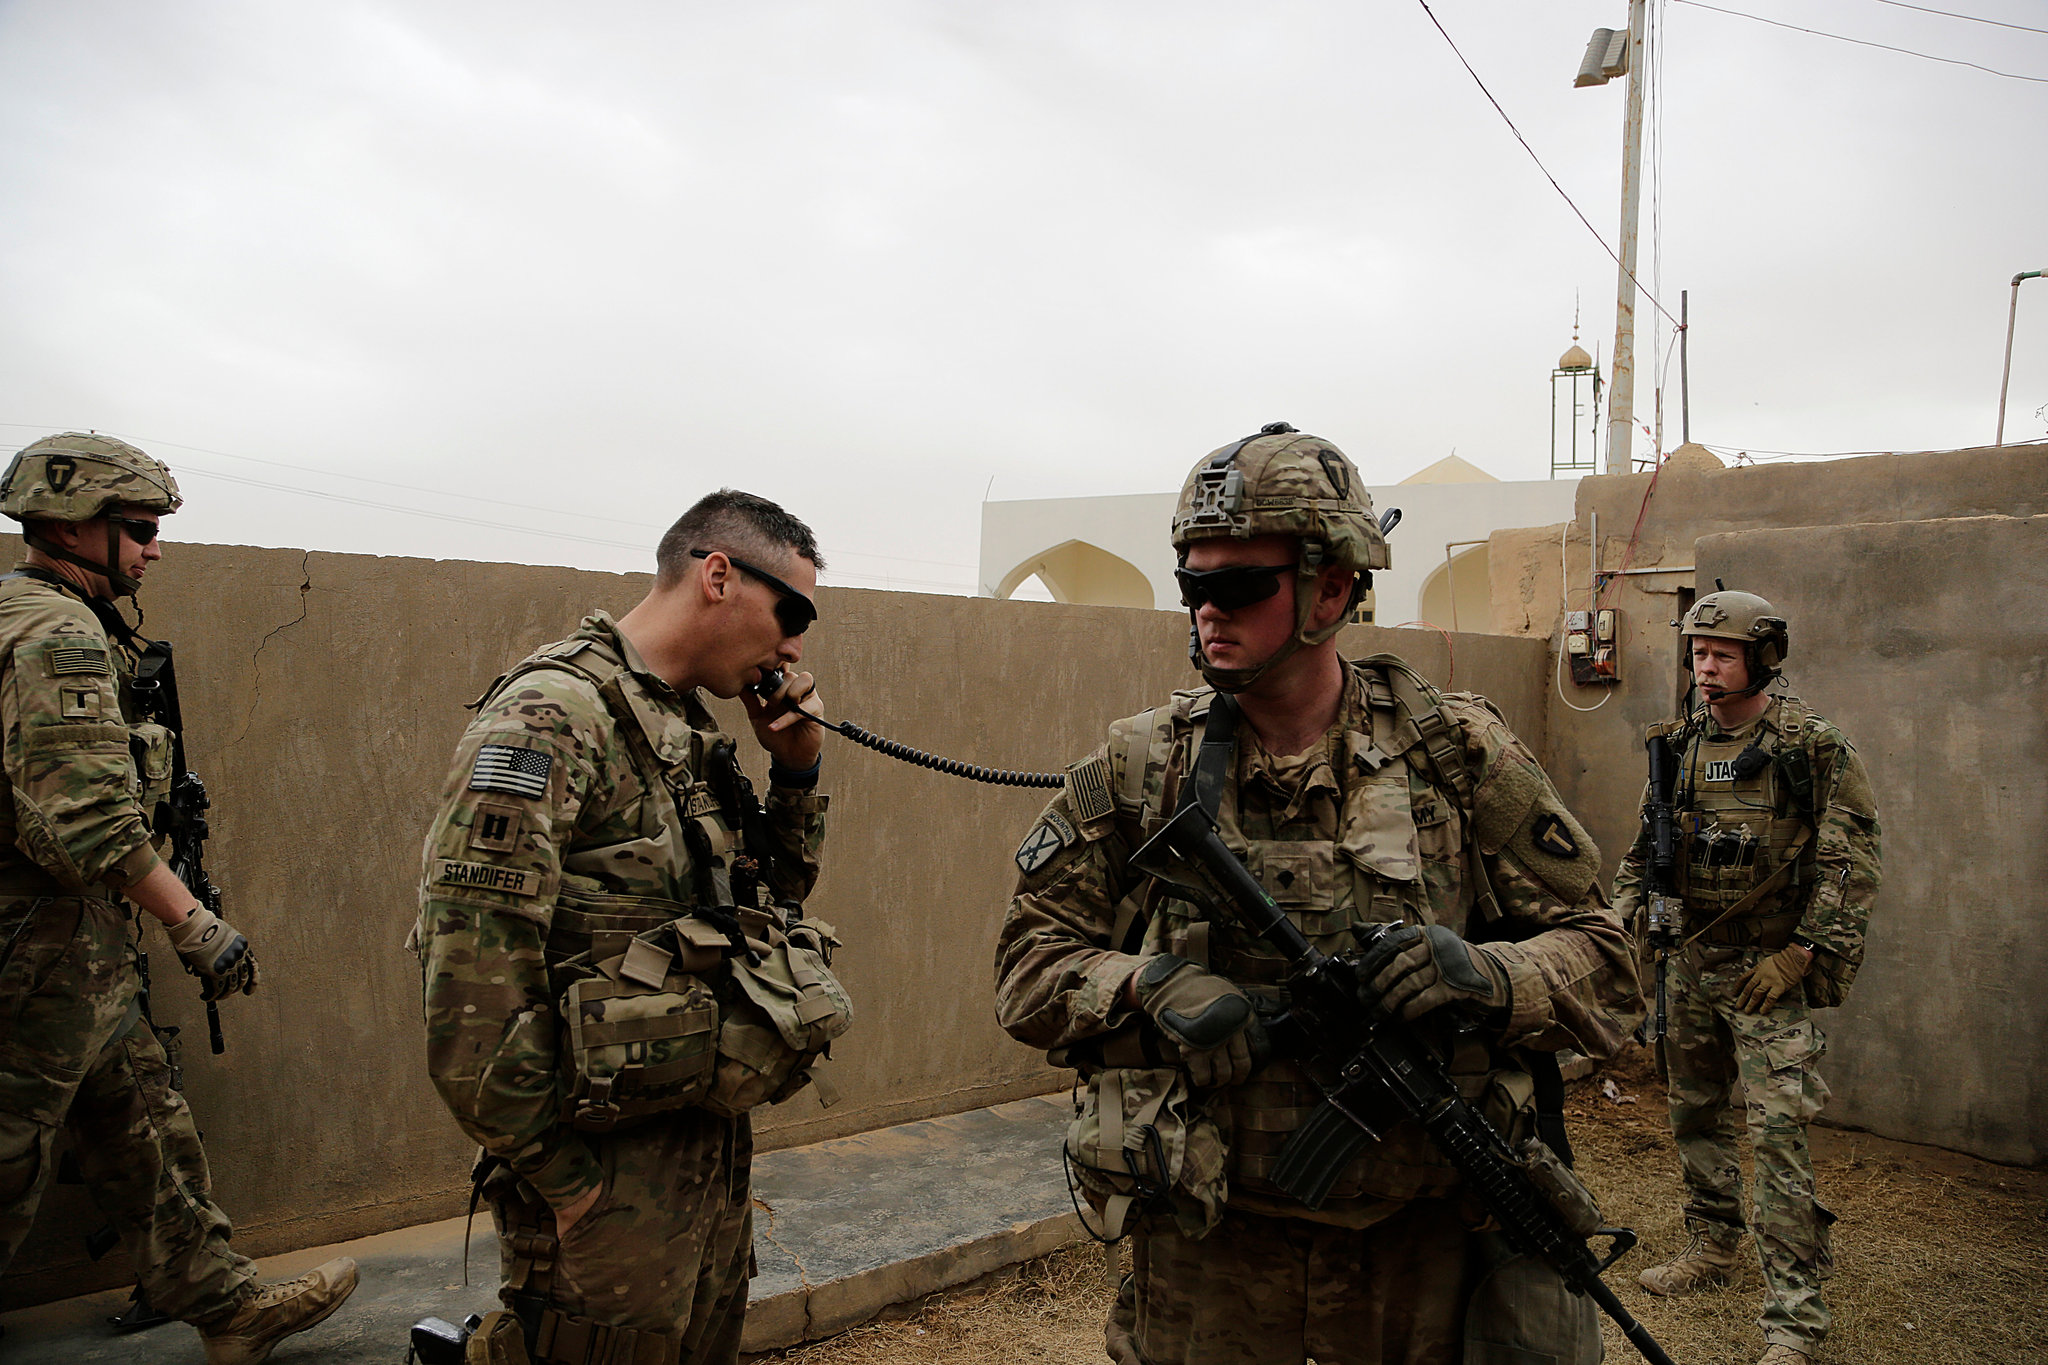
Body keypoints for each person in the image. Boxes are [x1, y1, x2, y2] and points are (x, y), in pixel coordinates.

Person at [993, 423, 1641, 1365]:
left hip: (1418, 1256)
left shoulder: (1456, 754)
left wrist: (1486, 976)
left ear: (1330, 589)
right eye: (1192, 587)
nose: (1207, 612)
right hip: (1210, 1252)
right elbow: (1026, 967)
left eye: (1238, 588)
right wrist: (1143, 984)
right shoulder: (1144, 766)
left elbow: (1609, 961)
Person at [415, 489, 845, 1365]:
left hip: (700, 1161)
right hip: (600, 1188)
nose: (795, 647)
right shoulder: (553, 716)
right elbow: (468, 992)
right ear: (718, 576)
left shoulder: (683, 725)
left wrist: (796, 770)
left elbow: (772, 902)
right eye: (791, 613)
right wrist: (567, 1184)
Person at [0, 432, 358, 1365]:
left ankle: (228, 1309)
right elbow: (87, 820)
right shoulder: (56, 634)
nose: (155, 549)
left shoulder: (35, 616)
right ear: (72, 528)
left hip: (70, 953)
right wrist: (192, 923)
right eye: (141, 529)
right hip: (33, 954)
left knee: (144, 1126)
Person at [1613, 590, 1881, 1365]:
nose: (1705, 667)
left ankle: (1794, 1317)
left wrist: (1802, 952)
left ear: (1762, 658)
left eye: (1722, 654)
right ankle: (1713, 1244)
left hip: (1768, 971)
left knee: (1778, 1134)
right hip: (1690, 962)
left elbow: (1850, 862)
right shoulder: (1679, 746)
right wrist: (1617, 921)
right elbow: (1643, 852)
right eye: (1698, 653)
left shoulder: (1812, 747)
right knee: (1694, 1113)